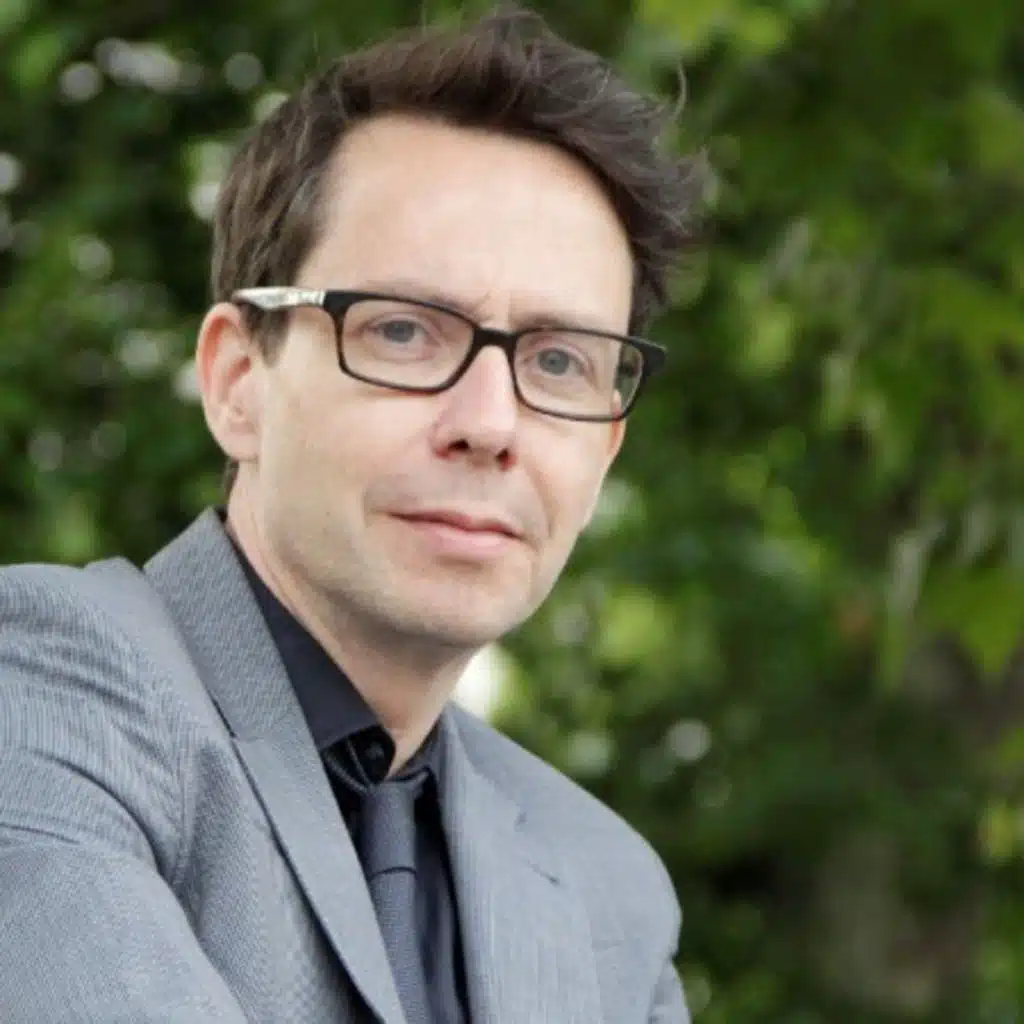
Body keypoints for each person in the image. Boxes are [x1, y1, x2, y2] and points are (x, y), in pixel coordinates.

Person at [0, 6, 702, 1022]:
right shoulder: (37, 688)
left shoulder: (608, 889)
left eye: (559, 360)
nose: (491, 423)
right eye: (405, 332)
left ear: (606, 448)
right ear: (237, 381)